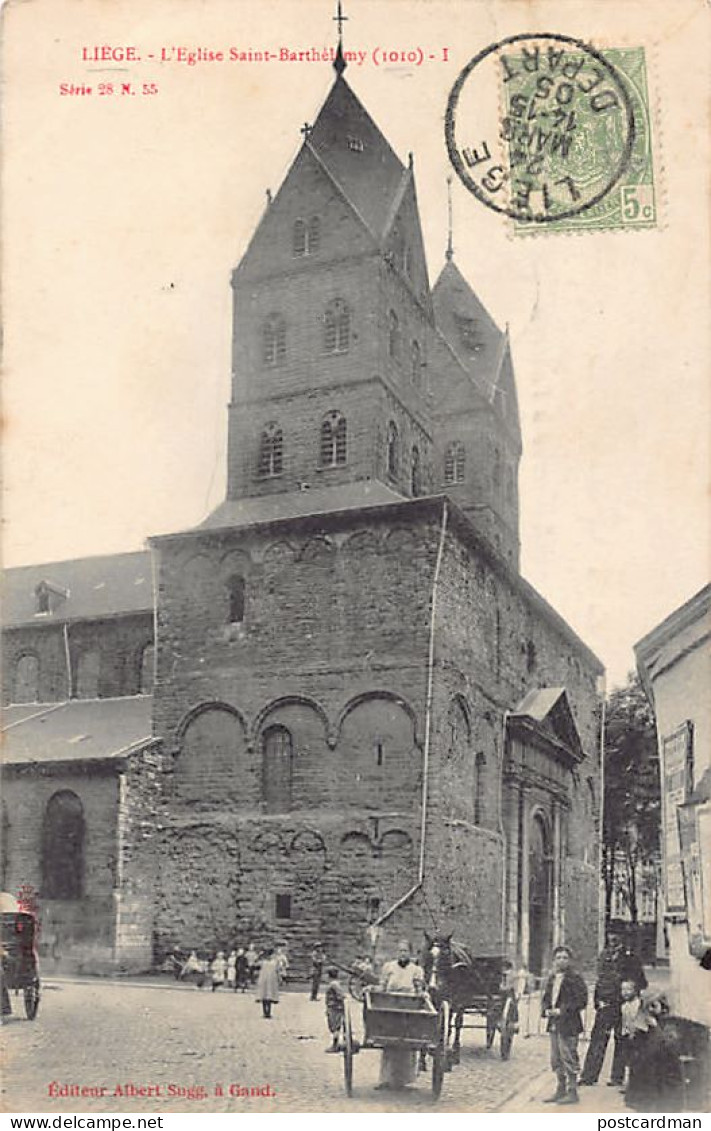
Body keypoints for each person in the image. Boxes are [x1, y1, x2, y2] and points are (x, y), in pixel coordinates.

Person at [376, 939, 426, 1090]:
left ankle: (404, 1080)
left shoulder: (416, 970)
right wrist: (374, 990)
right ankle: (386, 1079)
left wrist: (423, 995)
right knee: (388, 1042)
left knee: (408, 1043)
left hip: (409, 1007)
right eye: (400, 950)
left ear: (410, 953)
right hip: (391, 1005)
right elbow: (383, 986)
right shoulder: (389, 967)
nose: (402, 953)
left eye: (405, 951)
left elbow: (418, 988)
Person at [541, 944, 588, 1105]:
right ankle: (560, 1088)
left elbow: (581, 1001)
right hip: (554, 1023)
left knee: (568, 1055)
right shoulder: (552, 978)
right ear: (553, 960)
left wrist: (562, 1011)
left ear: (570, 961)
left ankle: (572, 1091)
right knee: (556, 1058)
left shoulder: (575, 978)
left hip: (569, 1024)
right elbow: (547, 997)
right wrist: (546, 1009)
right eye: (558, 957)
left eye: (565, 958)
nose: (561, 961)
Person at [579, 932, 626, 1086]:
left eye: (616, 937)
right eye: (610, 937)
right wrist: (597, 1001)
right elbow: (599, 978)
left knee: (621, 1040)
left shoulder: (629, 957)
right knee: (598, 1040)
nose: (612, 941)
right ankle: (589, 1076)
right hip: (605, 1004)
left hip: (622, 1005)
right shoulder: (604, 955)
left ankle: (617, 1077)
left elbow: (638, 980)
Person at [610, 978, 645, 1088]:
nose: (625, 992)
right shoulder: (624, 1006)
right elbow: (624, 1021)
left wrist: (636, 1031)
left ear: (635, 991)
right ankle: (628, 1082)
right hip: (627, 1036)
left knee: (637, 1059)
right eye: (622, 990)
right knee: (628, 1058)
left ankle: (636, 1084)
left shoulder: (640, 1004)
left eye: (628, 989)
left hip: (639, 1035)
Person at [256, 945, 280, 1019]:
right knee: (264, 996)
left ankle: (268, 1012)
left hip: (271, 980)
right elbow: (255, 964)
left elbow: (278, 969)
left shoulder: (275, 961)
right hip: (264, 980)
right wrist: (259, 956)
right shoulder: (263, 961)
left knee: (269, 996)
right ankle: (265, 1012)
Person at [324, 966, 345, 1052]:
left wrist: (336, 1003)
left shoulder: (334, 984)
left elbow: (341, 996)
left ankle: (335, 1045)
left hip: (335, 1008)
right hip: (332, 1007)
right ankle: (335, 1044)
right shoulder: (334, 983)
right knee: (333, 1026)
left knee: (335, 1027)